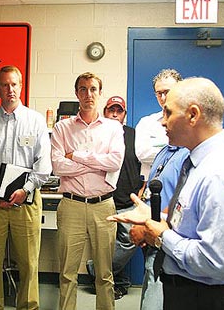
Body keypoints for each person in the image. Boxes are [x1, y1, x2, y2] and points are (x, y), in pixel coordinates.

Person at [109, 77, 224, 310]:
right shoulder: (196, 162)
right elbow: (192, 220)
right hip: (189, 292)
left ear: (193, 115)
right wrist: (155, 218)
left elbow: (214, 261)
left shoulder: (219, 173)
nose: (163, 122)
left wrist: (161, 235)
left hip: (209, 299)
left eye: (168, 113)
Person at [0, 65, 52, 310]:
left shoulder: (36, 121)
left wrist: (26, 189)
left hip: (26, 201)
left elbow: (43, 164)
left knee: (29, 262)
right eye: (4, 84)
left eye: (14, 84)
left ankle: (28, 306)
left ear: (21, 86)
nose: (10, 89)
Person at [51, 72, 125, 310]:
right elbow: (57, 165)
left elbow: (114, 163)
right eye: (83, 89)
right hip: (71, 206)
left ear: (100, 94)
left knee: (104, 275)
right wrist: (95, 164)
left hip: (103, 207)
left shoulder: (113, 128)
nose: (88, 94)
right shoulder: (62, 128)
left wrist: (78, 157)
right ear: (76, 93)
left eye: (93, 89)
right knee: (67, 274)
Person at [87, 95, 143, 300]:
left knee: (128, 242)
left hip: (129, 200)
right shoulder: (98, 134)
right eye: (111, 110)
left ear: (124, 115)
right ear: (105, 112)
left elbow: (144, 165)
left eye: (119, 111)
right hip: (105, 198)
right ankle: (117, 284)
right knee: (107, 245)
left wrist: (142, 188)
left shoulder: (135, 135)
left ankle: (96, 269)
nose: (114, 114)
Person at [133, 139, 189, 310]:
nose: (163, 121)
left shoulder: (188, 156)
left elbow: (180, 201)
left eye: (168, 113)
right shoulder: (164, 152)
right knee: (150, 283)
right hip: (152, 234)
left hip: (168, 238)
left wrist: (147, 227)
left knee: (155, 295)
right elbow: (152, 187)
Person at [135, 69, 182, 179]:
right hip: (154, 184)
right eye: (159, 93)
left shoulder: (191, 121)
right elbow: (143, 154)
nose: (163, 98)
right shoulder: (146, 123)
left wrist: (162, 149)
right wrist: (178, 152)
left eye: (167, 92)